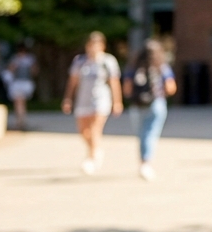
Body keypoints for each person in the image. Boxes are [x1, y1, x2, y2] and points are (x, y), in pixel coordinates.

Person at [61, 32, 122, 175]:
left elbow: (114, 83)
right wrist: (68, 98)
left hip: (100, 100)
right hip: (83, 100)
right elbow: (73, 82)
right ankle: (96, 149)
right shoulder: (80, 61)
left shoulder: (108, 61)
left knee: (95, 129)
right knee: (83, 131)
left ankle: (92, 158)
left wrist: (117, 101)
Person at [123, 39, 177, 180]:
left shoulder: (133, 67)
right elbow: (171, 87)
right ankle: (146, 163)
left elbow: (127, 89)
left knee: (142, 135)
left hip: (137, 105)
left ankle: (143, 162)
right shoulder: (162, 67)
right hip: (156, 104)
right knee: (150, 134)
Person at [4, 42, 37, 131]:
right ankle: (22, 120)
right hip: (24, 83)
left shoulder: (18, 59)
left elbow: (10, 70)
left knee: (19, 102)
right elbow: (34, 72)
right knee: (21, 102)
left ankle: (20, 121)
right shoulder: (29, 59)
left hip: (20, 83)